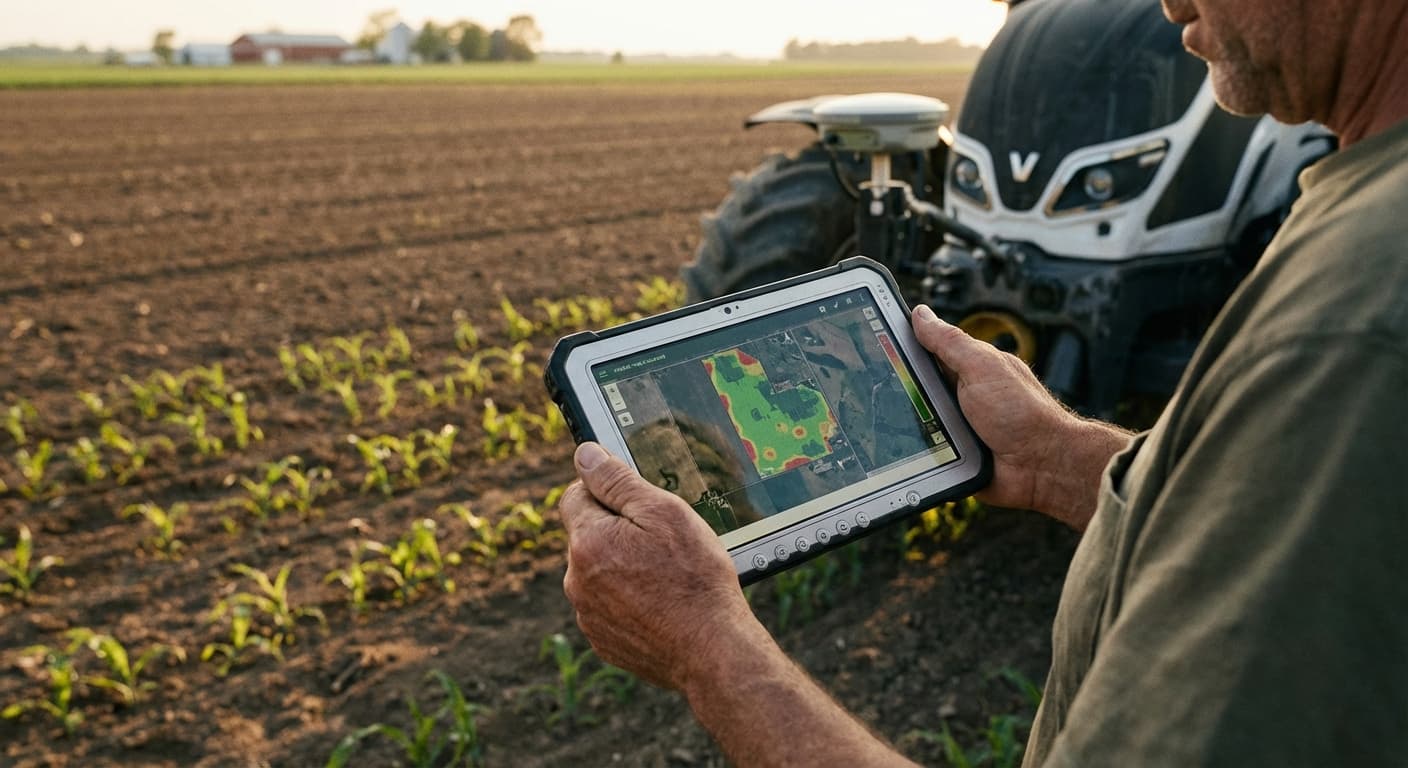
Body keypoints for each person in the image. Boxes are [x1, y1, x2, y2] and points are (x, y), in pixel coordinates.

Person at [559, 0, 1408, 763]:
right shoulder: (1364, 212)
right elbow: (1253, 517)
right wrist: (1066, 458)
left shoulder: (1349, 326)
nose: (1172, 2)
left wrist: (711, 651)